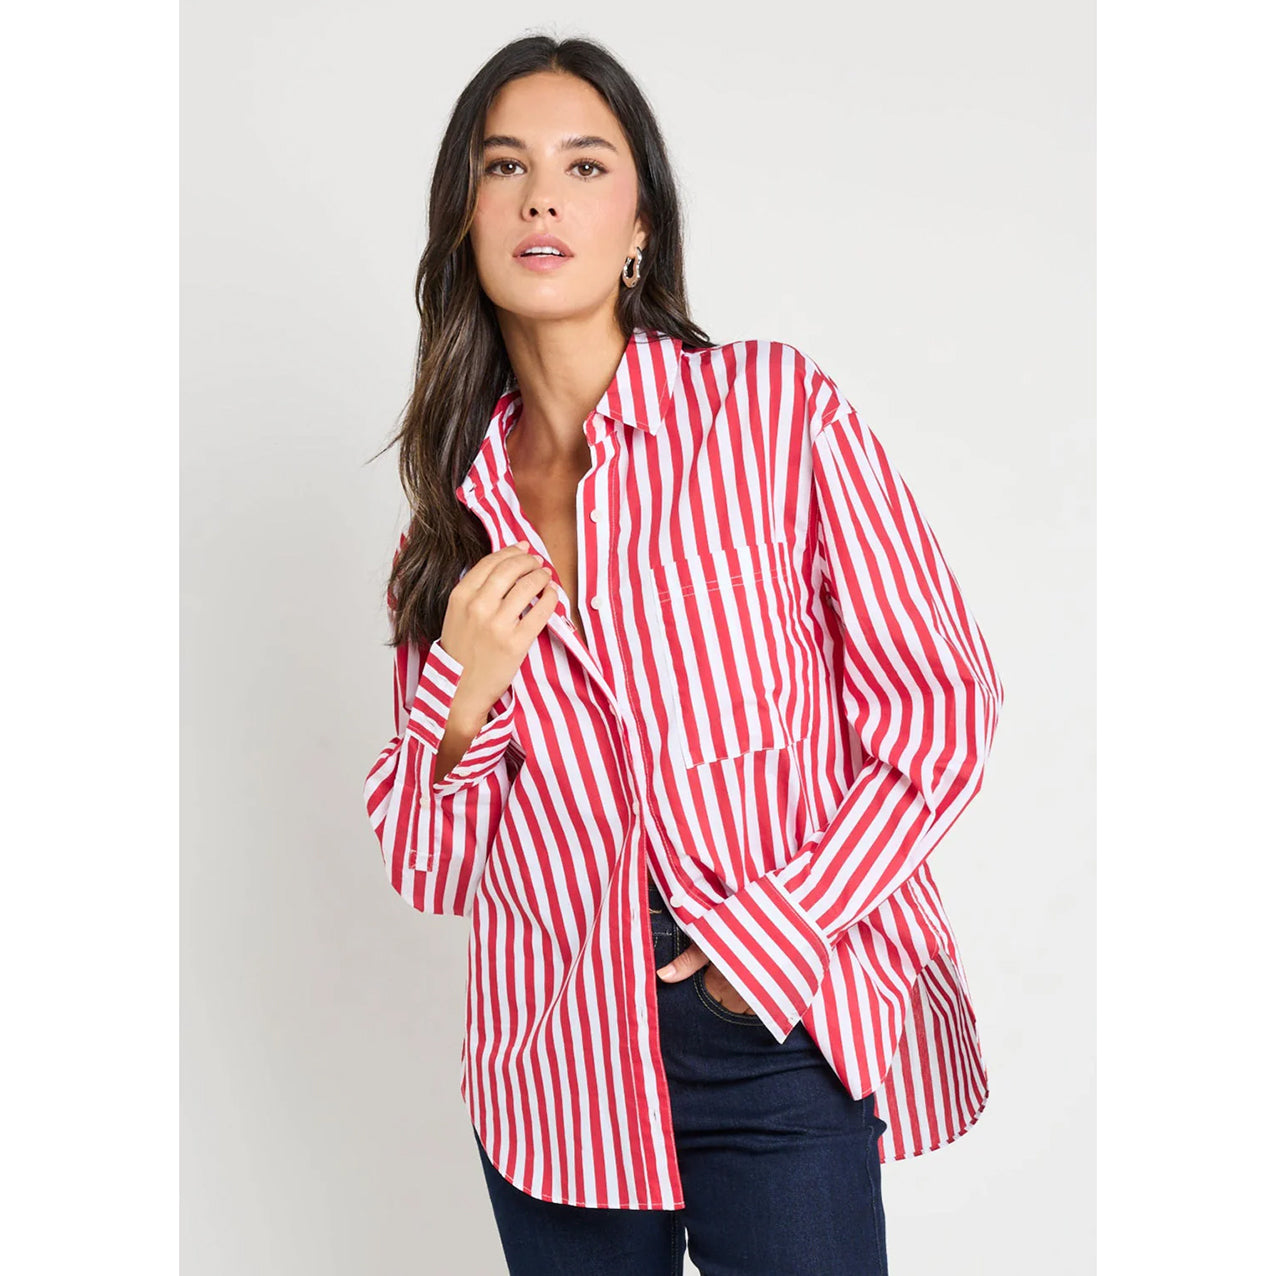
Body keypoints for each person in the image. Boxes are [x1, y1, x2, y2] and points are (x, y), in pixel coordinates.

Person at [363, 33, 1004, 1276]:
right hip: (556, 1059)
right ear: (464, 221)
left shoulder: (770, 414)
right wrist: (466, 688)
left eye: (583, 165)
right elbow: (427, 868)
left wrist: (765, 942)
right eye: (504, 167)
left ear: (640, 225)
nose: (541, 198)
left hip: (771, 1010)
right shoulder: (444, 531)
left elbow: (941, 707)